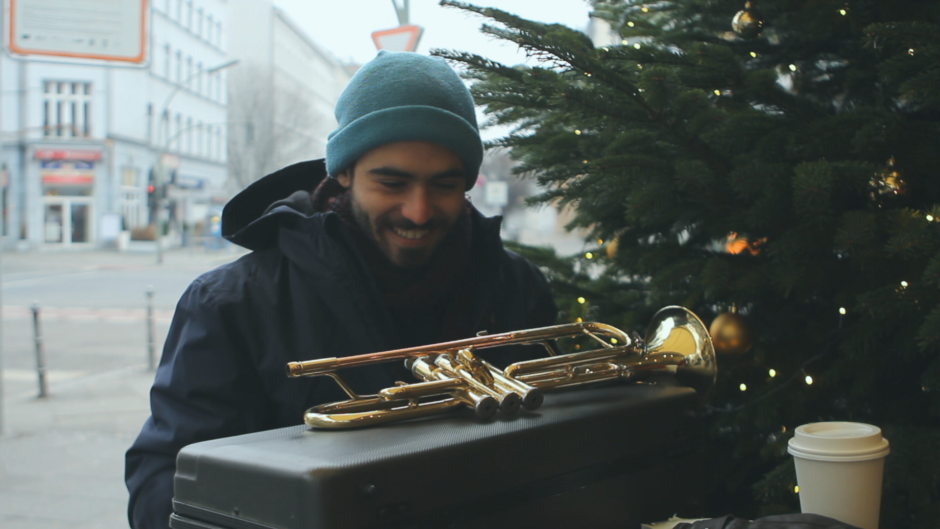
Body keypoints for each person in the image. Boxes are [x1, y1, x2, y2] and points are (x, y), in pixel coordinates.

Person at [124, 51, 557, 528]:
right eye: (391, 182)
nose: (418, 211)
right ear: (344, 172)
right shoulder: (231, 302)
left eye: (444, 185)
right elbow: (165, 482)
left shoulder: (515, 285)